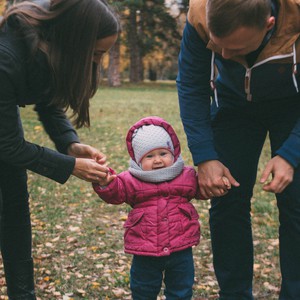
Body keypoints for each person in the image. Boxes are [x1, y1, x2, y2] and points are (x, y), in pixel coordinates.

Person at [176, 0, 300, 299]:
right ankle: (234, 294)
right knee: (226, 197)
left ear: (269, 24)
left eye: (237, 47)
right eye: (220, 46)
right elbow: (192, 85)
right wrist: (205, 156)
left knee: (296, 201)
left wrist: (291, 154)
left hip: (292, 107)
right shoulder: (199, 15)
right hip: (233, 107)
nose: (226, 55)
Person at [0, 0, 120, 298]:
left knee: (14, 204)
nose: (96, 63)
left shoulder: (47, 42)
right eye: (94, 54)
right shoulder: (6, 58)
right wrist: (70, 167)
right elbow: (9, 146)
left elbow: (46, 98)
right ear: (75, 40)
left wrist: (70, 144)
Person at [93, 116, 205, 300]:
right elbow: (116, 193)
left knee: (181, 289)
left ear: (173, 153)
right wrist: (106, 184)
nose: (158, 160)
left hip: (180, 247)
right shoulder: (130, 180)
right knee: (143, 289)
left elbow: (201, 189)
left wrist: (217, 184)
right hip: (145, 249)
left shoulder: (186, 175)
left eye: (163, 153)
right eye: (149, 156)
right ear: (138, 160)